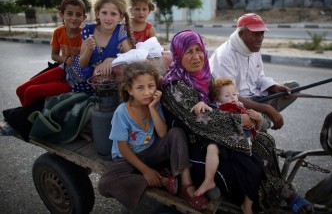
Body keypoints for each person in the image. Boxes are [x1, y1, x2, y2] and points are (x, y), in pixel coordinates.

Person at [161, 30, 314, 214]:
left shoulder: (205, 77)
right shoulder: (174, 86)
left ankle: (276, 191)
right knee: (246, 161)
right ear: (178, 55)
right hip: (196, 142)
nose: (196, 57)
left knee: (265, 142)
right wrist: (240, 120)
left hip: (217, 134)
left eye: (198, 49)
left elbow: (225, 98)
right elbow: (200, 120)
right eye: (188, 52)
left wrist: (250, 113)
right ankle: (277, 194)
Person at [98, 61, 208, 210]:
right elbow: (122, 148)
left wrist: (152, 109)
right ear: (130, 90)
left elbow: (163, 133)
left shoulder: (154, 104)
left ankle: (186, 185)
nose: (147, 92)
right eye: (140, 88)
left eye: (151, 86)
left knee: (176, 133)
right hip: (127, 159)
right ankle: (162, 180)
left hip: (151, 153)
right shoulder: (122, 112)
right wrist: (145, 171)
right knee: (104, 184)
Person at [209, 13, 299, 130]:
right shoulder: (225, 55)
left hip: (256, 97)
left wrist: (274, 87)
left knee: (294, 87)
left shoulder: (254, 49)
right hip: (234, 102)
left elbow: (259, 78)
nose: (260, 38)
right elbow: (229, 96)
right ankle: (261, 119)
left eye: (262, 33)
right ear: (241, 34)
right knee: (255, 115)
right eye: (256, 34)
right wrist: (267, 108)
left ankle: (261, 117)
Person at [192, 77, 264, 213]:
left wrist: (258, 119)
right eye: (227, 95)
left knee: (256, 169)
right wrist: (200, 103)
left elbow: (255, 128)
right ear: (217, 100)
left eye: (235, 94)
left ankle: (247, 205)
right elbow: (208, 111)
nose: (232, 98)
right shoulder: (219, 108)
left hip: (244, 146)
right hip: (225, 142)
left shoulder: (242, 108)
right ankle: (209, 180)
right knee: (212, 147)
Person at [15, 0, 87, 108]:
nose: (74, 18)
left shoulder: (85, 35)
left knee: (30, 91)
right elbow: (54, 55)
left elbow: (89, 62)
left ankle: (27, 118)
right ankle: (25, 113)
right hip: (62, 68)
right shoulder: (58, 32)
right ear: (62, 15)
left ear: (84, 17)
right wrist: (65, 60)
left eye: (78, 15)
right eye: (69, 14)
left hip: (75, 79)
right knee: (20, 90)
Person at [79, 0, 135, 93]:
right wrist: (89, 50)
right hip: (88, 79)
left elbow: (130, 56)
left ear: (120, 17)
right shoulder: (88, 31)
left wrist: (111, 60)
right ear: (97, 13)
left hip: (110, 80)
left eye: (113, 14)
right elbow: (82, 64)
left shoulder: (120, 31)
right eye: (104, 13)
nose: (108, 18)